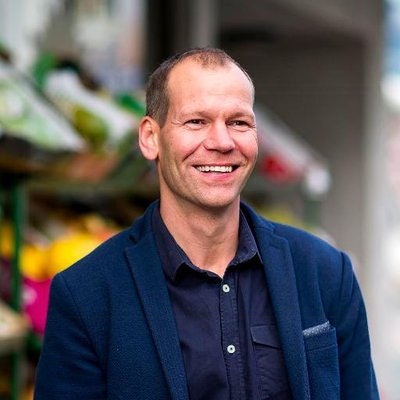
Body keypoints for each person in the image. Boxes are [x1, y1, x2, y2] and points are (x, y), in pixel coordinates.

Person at [34, 47, 379, 400]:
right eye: (196, 121)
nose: (222, 142)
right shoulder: (86, 295)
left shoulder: (325, 272)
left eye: (238, 122)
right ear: (150, 138)